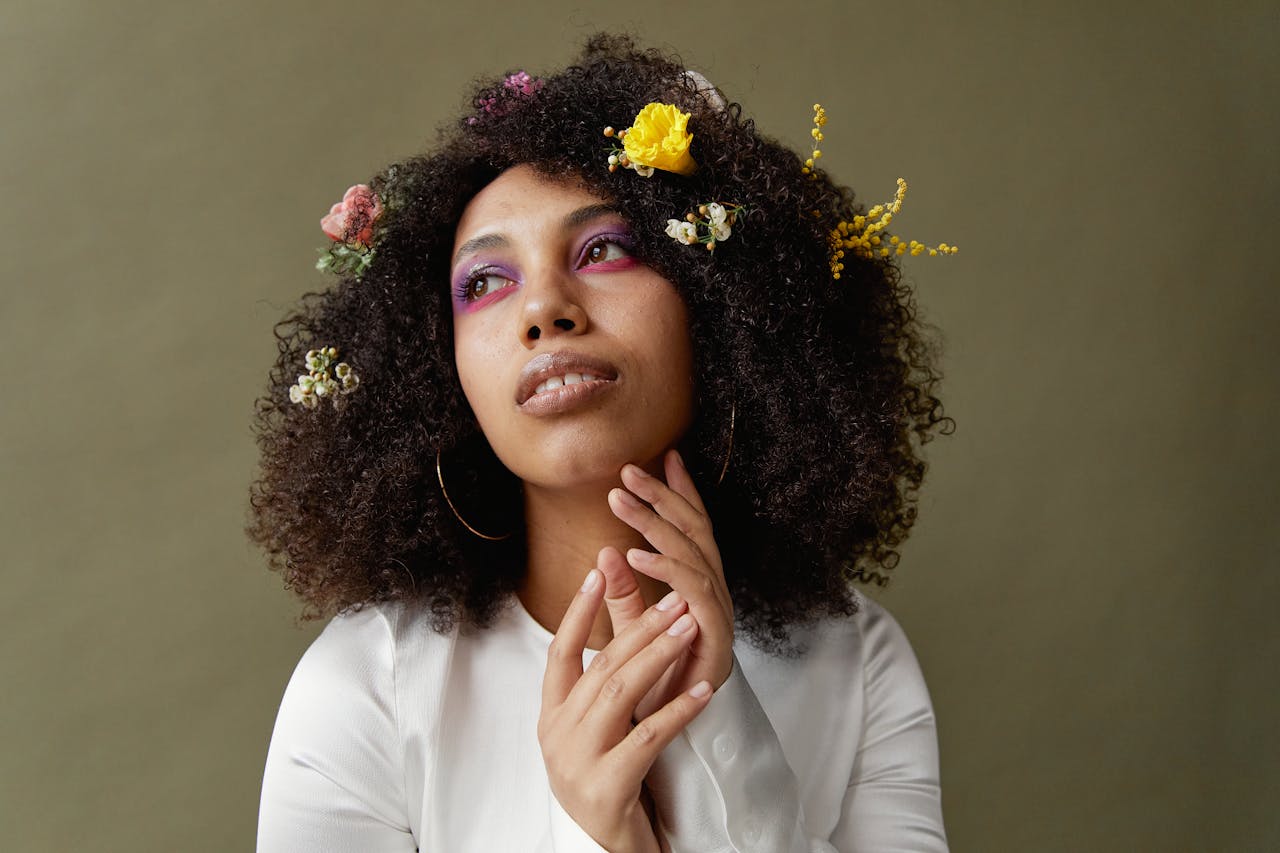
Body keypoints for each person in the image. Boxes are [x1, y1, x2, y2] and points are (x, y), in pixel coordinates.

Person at [250, 34, 954, 852]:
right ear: (439, 370)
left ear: (721, 311)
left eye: (604, 249)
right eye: (484, 282)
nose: (544, 308)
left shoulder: (858, 664)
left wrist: (716, 723)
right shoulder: (366, 685)